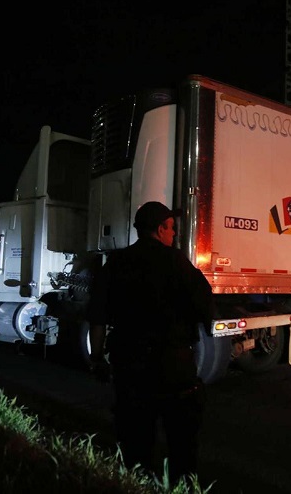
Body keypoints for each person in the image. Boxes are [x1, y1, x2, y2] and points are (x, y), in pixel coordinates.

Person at [86, 201, 214, 484]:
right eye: (172, 229)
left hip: (129, 366)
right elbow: (205, 305)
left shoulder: (115, 263)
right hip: (173, 367)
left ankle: (137, 485)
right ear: (160, 229)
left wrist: (96, 359)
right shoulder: (176, 262)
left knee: (135, 443)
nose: (174, 234)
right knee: (182, 444)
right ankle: (181, 487)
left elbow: (97, 318)